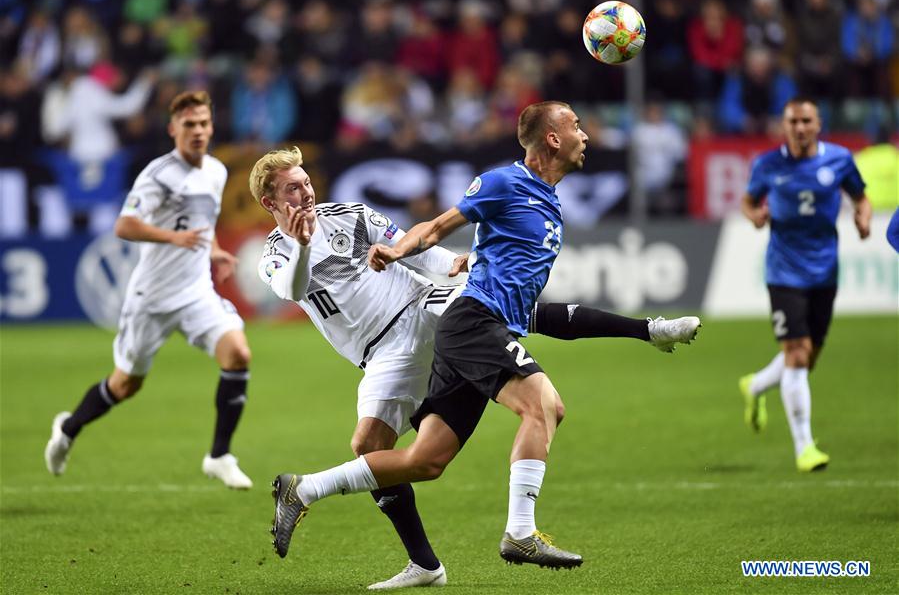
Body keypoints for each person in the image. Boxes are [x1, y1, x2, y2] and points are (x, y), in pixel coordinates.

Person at [268, 102, 701, 572]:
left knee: (439, 448)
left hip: (426, 308)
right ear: (271, 202)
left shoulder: (351, 214)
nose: (306, 192)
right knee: (375, 446)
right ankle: (446, 554)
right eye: (293, 188)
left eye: (307, 182)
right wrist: (328, 246)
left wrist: (443, 261)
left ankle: (310, 489)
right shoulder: (276, 252)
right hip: (387, 349)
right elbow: (298, 287)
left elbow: (426, 250)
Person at [44, 91, 254, 489]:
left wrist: (215, 250)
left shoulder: (216, 171)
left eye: (204, 124)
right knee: (125, 384)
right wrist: (171, 239)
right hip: (152, 299)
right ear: (173, 128)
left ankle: (220, 455)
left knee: (238, 353)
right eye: (189, 124)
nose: (197, 131)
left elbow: (202, 225)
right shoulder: (158, 175)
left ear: (212, 127)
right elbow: (125, 225)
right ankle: (68, 428)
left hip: (196, 292)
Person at [738, 97, 871, 472]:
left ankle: (756, 385)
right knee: (797, 354)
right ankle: (804, 448)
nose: (799, 128)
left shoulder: (840, 160)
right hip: (784, 273)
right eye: (792, 121)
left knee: (805, 359)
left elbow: (861, 198)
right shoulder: (768, 164)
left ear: (818, 124)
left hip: (825, 272)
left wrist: (863, 220)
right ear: (784, 126)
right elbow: (748, 202)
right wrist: (756, 216)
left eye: (806, 121)